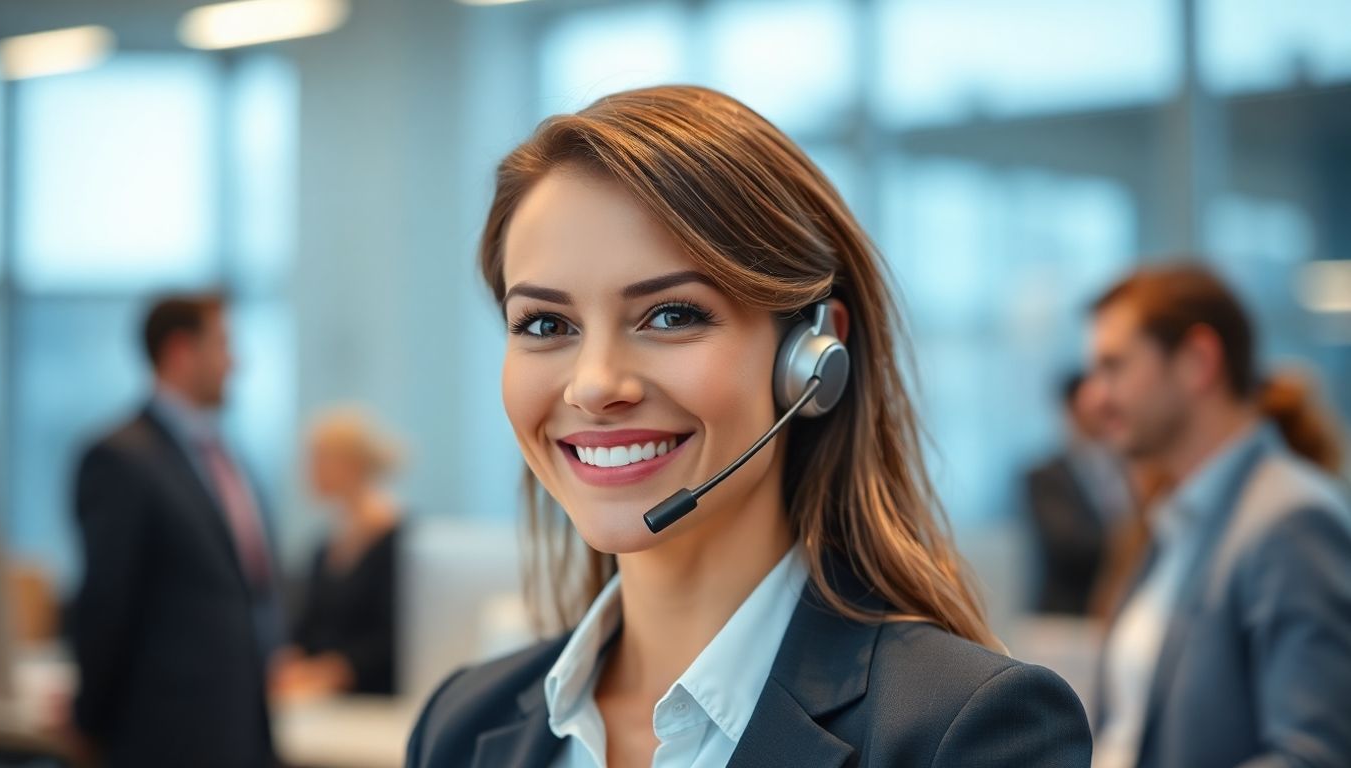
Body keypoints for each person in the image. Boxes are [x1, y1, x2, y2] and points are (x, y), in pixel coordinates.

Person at [408, 85, 1090, 768]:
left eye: (672, 315)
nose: (594, 385)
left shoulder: (966, 729)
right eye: (546, 324)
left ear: (812, 358)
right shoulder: (464, 726)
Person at [1088, 263, 1351, 768]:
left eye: (1114, 366)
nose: (1095, 396)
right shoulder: (1174, 522)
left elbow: (1314, 757)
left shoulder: (1293, 521)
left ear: (1197, 361)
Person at [69, 294, 278, 767]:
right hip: (163, 739)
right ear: (181, 351)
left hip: (241, 731)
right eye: (223, 344)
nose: (235, 361)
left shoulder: (227, 458)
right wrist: (89, 721)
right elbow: (105, 602)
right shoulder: (120, 458)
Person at [273, 407, 402, 698]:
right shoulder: (324, 546)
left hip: (374, 703)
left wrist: (334, 673)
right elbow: (307, 627)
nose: (308, 471)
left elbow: (394, 636)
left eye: (318, 459)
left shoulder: (399, 541)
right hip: (323, 704)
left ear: (351, 463)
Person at [1024, 372, 1132, 614]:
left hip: (1123, 609)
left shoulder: (1132, 466)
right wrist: (1128, 542)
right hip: (1066, 616)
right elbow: (1067, 545)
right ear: (1071, 410)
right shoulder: (1043, 477)